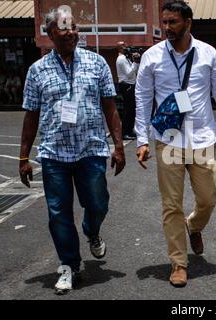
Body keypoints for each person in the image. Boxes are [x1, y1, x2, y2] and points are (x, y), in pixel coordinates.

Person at [18, 8, 126, 295]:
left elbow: (110, 107)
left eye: (74, 27)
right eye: (64, 28)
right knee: (58, 213)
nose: (71, 32)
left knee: (98, 202)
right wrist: (23, 157)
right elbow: (30, 115)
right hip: (54, 154)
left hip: (91, 149)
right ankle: (69, 265)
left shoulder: (97, 63)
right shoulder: (37, 70)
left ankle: (92, 230)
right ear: (50, 33)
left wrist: (118, 146)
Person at [134, 0, 216, 288]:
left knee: (208, 197)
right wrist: (141, 139)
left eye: (173, 22)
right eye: (164, 22)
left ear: (188, 23)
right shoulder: (152, 56)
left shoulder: (208, 53)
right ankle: (179, 263)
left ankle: (193, 226)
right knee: (171, 205)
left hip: (203, 137)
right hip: (167, 140)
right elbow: (142, 99)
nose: (167, 28)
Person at [116, 41, 141, 140]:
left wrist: (136, 61)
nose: (128, 47)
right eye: (125, 46)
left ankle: (130, 130)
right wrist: (135, 62)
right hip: (127, 85)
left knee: (132, 110)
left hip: (130, 85)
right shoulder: (121, 59)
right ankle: (125, 132)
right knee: (128, 110)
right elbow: (129, 73)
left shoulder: (126, 58)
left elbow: (135, 70)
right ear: (121, 48)